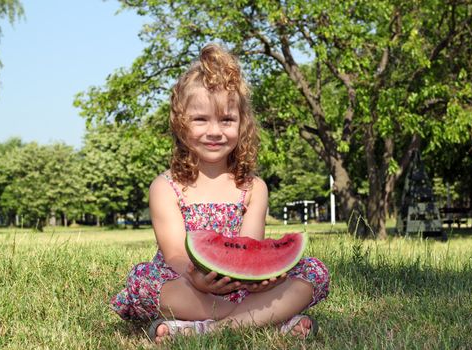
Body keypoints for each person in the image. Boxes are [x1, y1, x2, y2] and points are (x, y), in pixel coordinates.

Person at [110, 43, 330, 343]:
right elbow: (174, 254)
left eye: (226, 120)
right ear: (180, 122)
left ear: (243, 125)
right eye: (201, 119)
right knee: (146, 282)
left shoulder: (253, 188)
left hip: (242, 287)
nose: (215, 131)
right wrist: (196, 278)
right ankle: (268, 319)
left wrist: (262, 282)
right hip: (185, 281)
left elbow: (249, 250)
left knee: (313, 272)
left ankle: (205, 329)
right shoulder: (166, 186)